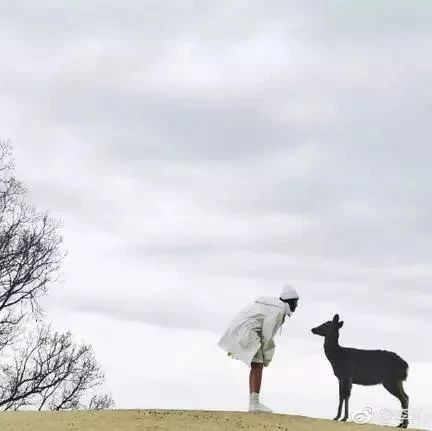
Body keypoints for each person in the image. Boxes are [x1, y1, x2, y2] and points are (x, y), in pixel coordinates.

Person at [218, 284, 299, 413]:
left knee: (256, 364)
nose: (297, 305)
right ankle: (254, 404)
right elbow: (267, 334)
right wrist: (268, 356)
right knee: (258, 364)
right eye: (296, 302)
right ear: (291, 301)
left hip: (241, 329)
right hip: (248, 331)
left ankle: (254, 403)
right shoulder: (279, 310)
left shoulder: (273, 305)